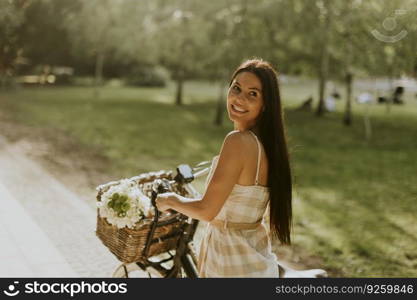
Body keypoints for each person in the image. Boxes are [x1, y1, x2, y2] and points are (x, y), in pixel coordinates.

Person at [156, 58, 326, 278]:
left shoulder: (238, 141)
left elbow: (206, 211)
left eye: (252, 94)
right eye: (236, 88)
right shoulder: (267, 143)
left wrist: (170, 200)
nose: (239, 98)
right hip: (252, 258)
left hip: (230, 263)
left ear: (265, 104)